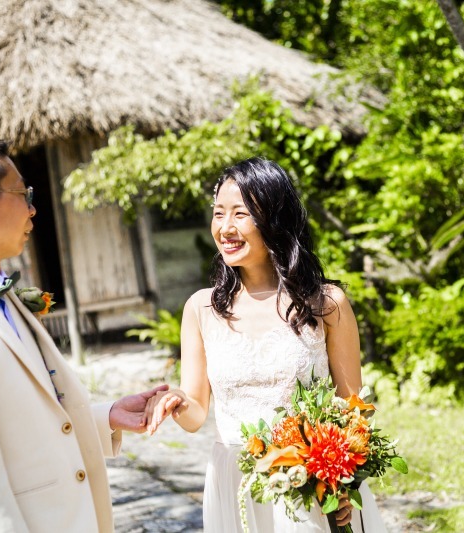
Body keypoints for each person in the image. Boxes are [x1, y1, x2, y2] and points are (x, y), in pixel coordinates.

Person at [0, 132, 168, 532]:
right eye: (23, 194)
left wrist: (106, 417)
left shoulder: (2, 293)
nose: (33, 210)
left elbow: (23, 419)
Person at [144, 158, 386, 532]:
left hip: (311, 483)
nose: (225, 228)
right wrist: (176, 400)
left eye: (240, 214)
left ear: (274, 219)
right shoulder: (201, 309)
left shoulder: (326, 303)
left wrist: (344, 482)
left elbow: (353, 409)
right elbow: (195, 415)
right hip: (236, 482)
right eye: (218, 213)